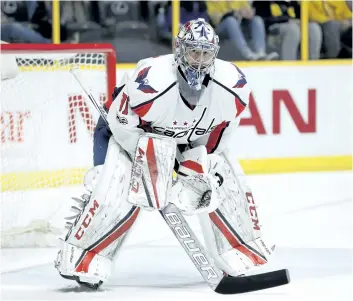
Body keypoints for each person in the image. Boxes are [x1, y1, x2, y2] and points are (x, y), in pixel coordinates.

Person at [54, 18, 274, 288]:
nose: (200, 60)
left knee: (226, 183)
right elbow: (117, 124)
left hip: (188, 140)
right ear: (180, 49)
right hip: (132, 136)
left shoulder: (232, 86)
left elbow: (222, 130)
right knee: (118, 192)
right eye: (194, 51)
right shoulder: (152, 80)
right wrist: (151, 165)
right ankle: (83, 258)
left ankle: (241, 253)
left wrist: (201, 164)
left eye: (206, 53)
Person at [207, 1, 278, 60]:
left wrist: (248, 14)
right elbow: (215, 20)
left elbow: (248, 11)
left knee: (257, 19)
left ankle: (261, 53)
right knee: (230, 21)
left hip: (240, 24)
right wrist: (233, 13)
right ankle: (247, 54)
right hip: (221, 28)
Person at [253, 1, 323, 60]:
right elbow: (261, 21)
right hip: (273, 32)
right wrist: (287, 20)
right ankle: (289, 66)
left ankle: (313, 65)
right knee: (292, 29)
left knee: (313, 27)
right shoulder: (261, 2)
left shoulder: (292, 3)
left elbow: (301, 17)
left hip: (293, 26)